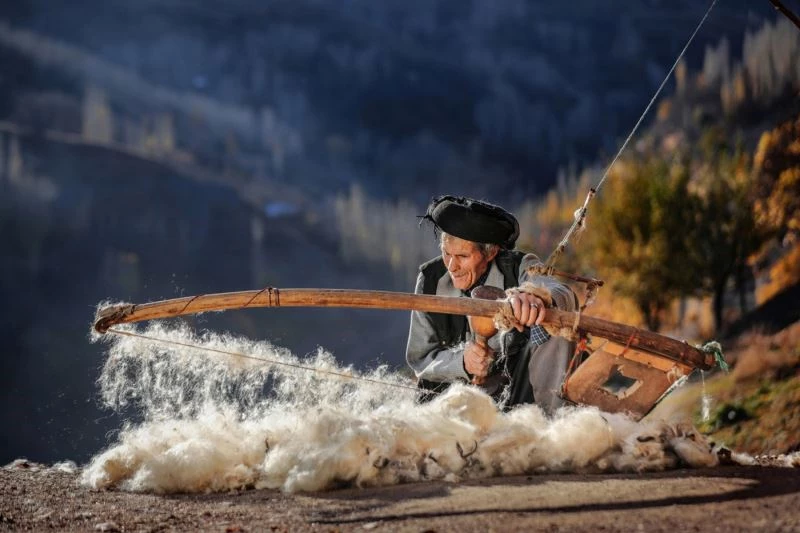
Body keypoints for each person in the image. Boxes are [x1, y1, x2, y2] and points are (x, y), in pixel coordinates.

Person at [405, 195, 578, 414]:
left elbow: (560, 291)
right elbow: (420, 358)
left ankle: (549, 421)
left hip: (515, 401)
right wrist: (462, 363)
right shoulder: (430, 279)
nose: (451, 265)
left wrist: (533, 295)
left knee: (553, 321)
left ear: (490, 252)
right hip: (448, 405)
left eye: (462, 256)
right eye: (446, 253)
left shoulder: (518, 267)